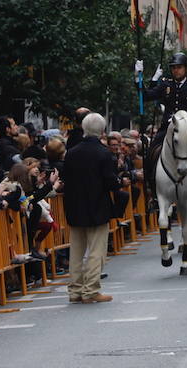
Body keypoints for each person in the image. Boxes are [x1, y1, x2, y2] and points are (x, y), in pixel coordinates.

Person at [139, 52, 187, 205]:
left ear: (185, 69)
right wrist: (142, 78)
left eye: (179, 67)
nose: (176, 70)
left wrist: (183, 120)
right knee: (151, 154)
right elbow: (146, 96)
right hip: (168, 127)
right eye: (173, 68)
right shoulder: (165, 84)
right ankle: (154, 193)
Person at [59, 112, 120, 304]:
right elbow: (110, 182)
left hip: (75, 206)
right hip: (97, 206)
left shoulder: (71, 152)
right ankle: (91, 290)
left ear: (84, 129)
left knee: (76, 250)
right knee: (96, 251)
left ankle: (75, 290)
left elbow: (66, 179)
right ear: (102, 131)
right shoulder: (104, 153)